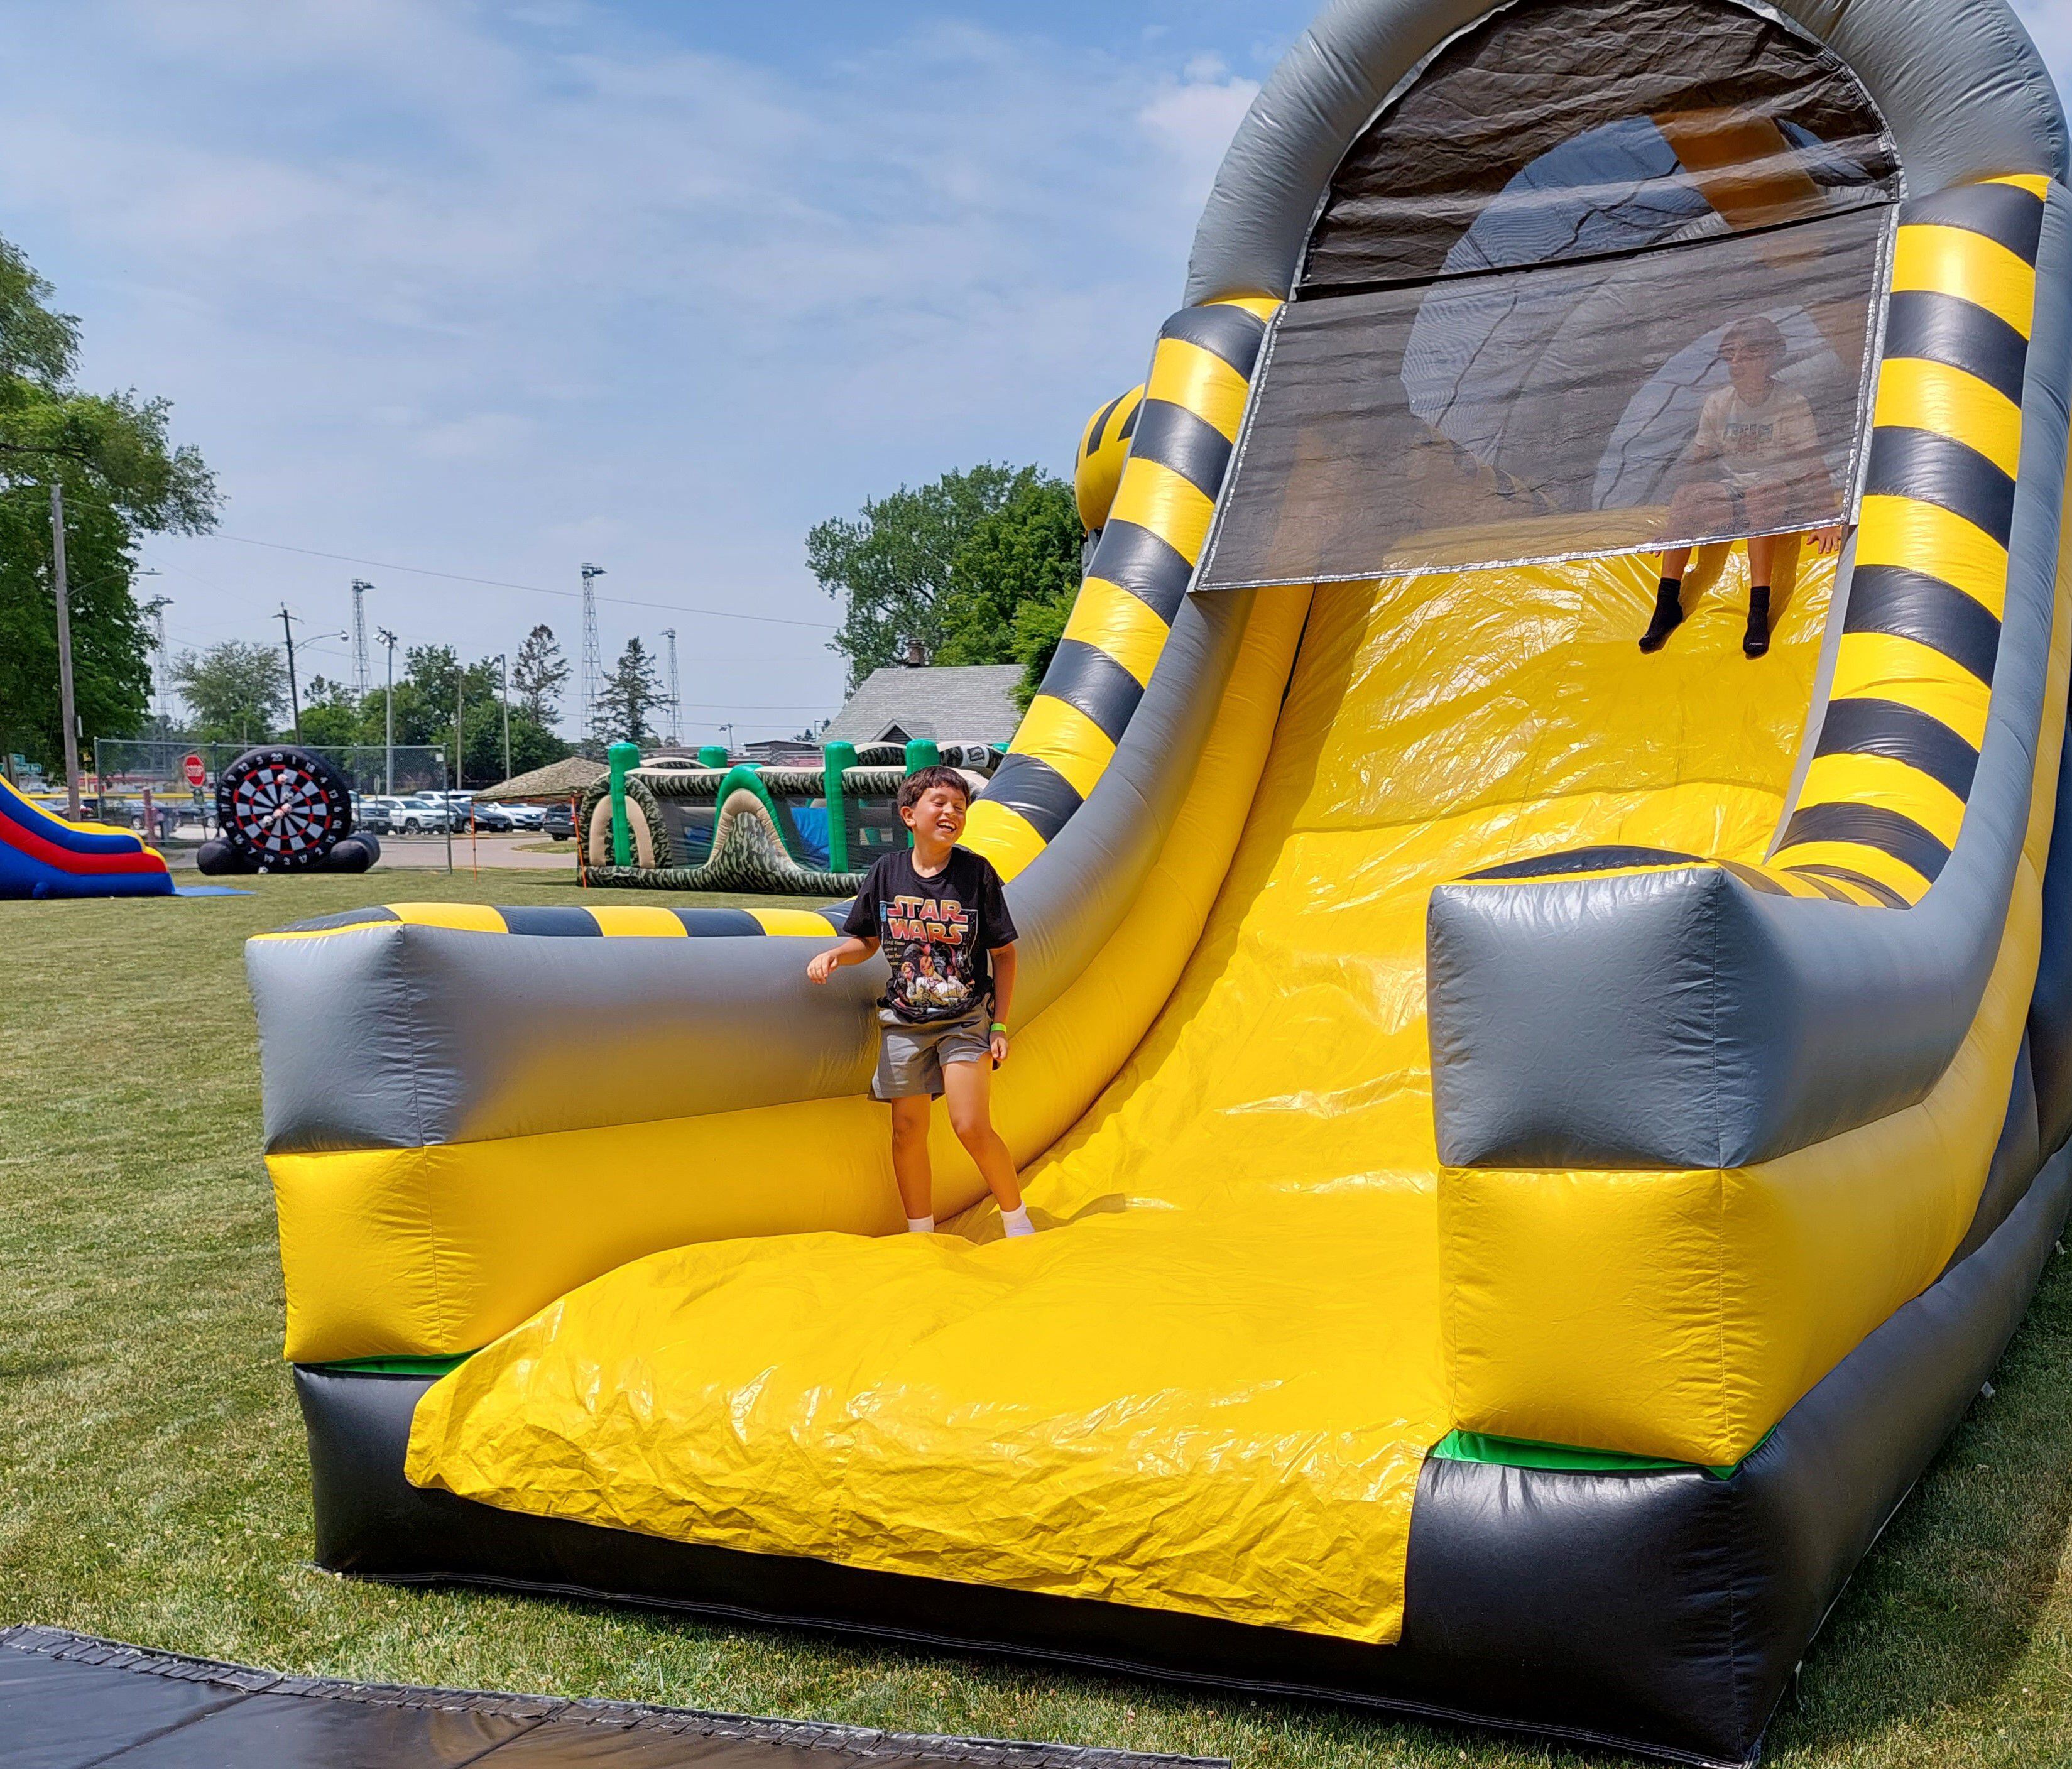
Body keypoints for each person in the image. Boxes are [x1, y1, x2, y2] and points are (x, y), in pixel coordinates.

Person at [806, 764, 1033, 1238]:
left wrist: (999, 1025)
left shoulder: (975, 874)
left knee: (970, 1124)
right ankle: (921, 1233)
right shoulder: (888, 872)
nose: (952, 812)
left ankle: (1017, 1220)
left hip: (965, 1018)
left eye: (960, 806)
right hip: (904, 1020)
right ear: (909, 814)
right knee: (907, 1131)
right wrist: (835, 955)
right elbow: (866, 940)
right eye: (941, 804)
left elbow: (1005, 956)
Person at [1640, 315, 1846, 659]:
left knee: (1763, 493)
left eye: (1746, 354)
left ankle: (1758, 609)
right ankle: (1667, 603)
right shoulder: (1719, 403)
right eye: (1730, 355)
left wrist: (1826, 515)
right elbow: (1697, 464)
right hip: (1737, 491)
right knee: (1689, 496)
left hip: (1780, 492)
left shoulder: (1789, 403)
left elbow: (1812, 462)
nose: (1735, 363)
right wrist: (1675, 523)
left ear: (1768, 359)